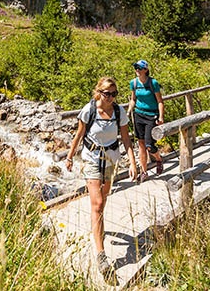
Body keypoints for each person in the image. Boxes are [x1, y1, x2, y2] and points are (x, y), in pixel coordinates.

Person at [65, 77, 137, 279]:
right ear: (99, 93)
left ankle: (99, 231)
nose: (111, 98)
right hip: (92, 158)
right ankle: (101, 254)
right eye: (107, 94)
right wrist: (70, 157)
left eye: (114, 94)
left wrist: (132, 163)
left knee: (102, 203)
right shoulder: (89, 110)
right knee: (96, 203)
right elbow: (78, 135)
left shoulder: (119, 112)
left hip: (111, 158)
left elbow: (126, 139)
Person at [128, 60, 165, 182]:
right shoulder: (133, 83)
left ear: (145, 70)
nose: (137, 69)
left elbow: (160, 101)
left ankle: (158, 159)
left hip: (151, 116)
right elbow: (133, 99)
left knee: (149, 145)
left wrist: (161, 117)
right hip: (139, 114)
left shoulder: (153, 83)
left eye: (139, 67)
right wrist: (129, 110)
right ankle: (144, 172)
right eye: (135, 67)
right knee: (141, 145)